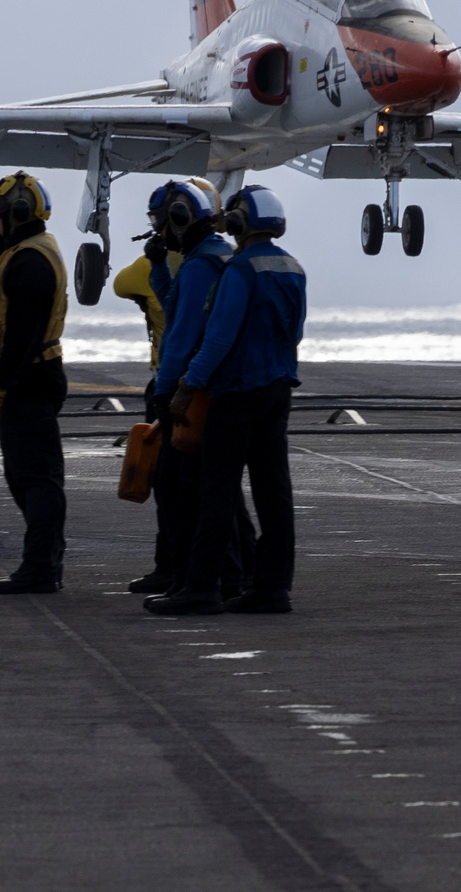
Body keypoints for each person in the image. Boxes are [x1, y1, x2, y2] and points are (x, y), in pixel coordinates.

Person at [145, 185, 305, 617]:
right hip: (277, 390)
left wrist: (186, 386)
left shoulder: (240, 270)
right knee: (273, 492)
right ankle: (272, 588)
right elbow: (294, 333)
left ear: (238, 222)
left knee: (214, 491)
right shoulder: (291, 266)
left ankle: (202, 588)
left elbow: (217, 336)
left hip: (235, 393)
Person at [0, 164, 69, 596]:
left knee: (36, 479)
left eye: (0, 213)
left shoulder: (30, 263)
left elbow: (23, 336)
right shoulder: (27, 249)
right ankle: (45, 561)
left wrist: (0, 385)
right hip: (32, 379)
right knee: (27, 477)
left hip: (29, 381)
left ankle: (41, 567)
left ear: (19, 214)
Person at [143, 178, 236, 597]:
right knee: (215, 492)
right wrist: (159, 267)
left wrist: (165, 390)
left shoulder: (200, 266)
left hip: (190, 393)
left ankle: (189, 580)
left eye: (160, 223)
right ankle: (235, 576)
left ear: (179, 218)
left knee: (179, 489)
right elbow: (176, 305)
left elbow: (181, 333)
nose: (158, 232)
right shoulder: (214, 255)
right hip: (215, 388)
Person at [112, 245, 181, 594]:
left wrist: (153, 258)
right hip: (210, 384)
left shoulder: (153, 266)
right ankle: (233, 570)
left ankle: (171, 567)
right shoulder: (223, 259)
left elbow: (120, 285)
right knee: (213, 484)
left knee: (167, 483)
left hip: (169, 383)